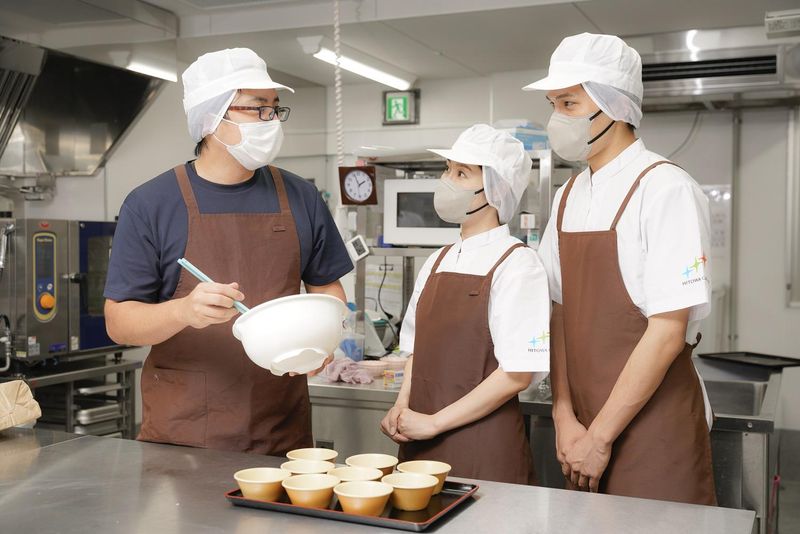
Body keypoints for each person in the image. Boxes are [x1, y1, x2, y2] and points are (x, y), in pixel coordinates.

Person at [103, 48, 353, 454]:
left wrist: (325, 340)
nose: (271, 121)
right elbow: (119, 322)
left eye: (275, 108)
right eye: (257, 108)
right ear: (212, 117)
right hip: (183, 435)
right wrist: (183, 311)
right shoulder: (150, 204)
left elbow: (327, 288)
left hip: (280, 427)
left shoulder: (301, 197)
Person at [523, 33, 716, 504]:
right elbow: (558, 312)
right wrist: (564, 416)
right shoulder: (568, 196)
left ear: (614, 104)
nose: (556, 119)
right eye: (553, 104)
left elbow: (667, 330)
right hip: (582, 425)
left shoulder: (666, 189)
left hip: (654, 427)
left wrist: (600, 437)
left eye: (569, 103)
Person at [380, 124, 550, 485]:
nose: (446, 181)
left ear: (495, 189)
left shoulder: (519, 265)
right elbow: (416, 353)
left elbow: (517, 374)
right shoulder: (437, 260)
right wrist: (402, 407)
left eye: (461, 173)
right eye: (447, 170)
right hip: (419, 444)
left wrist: (434, 423)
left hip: (482, 450)